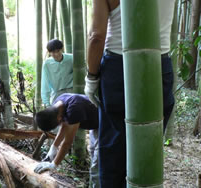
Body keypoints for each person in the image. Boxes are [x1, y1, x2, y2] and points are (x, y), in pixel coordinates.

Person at [84, 0, 175, 187]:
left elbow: (96, 36)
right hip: (160, 64)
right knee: (148, 148)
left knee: (113, 150)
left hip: (119, 68)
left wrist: (91, 78)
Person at [34, 93, 99, 188]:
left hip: (106, 124)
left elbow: (67, 143)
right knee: (94, 155)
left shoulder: (74, 109)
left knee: (98, 164)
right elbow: (64, 126)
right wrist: (53, 149)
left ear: (59, 118)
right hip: (95, 125)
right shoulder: (58, 103)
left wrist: (54, 164)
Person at [41, 39, 73, 107]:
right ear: (49, 52)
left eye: (58, 51)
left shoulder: (71, 59)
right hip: (57, 95)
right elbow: (45, 84)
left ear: (62, 49)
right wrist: (46, 102)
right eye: (53, 52)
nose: (56, 54)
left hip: (72, 92)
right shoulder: (47, 64)